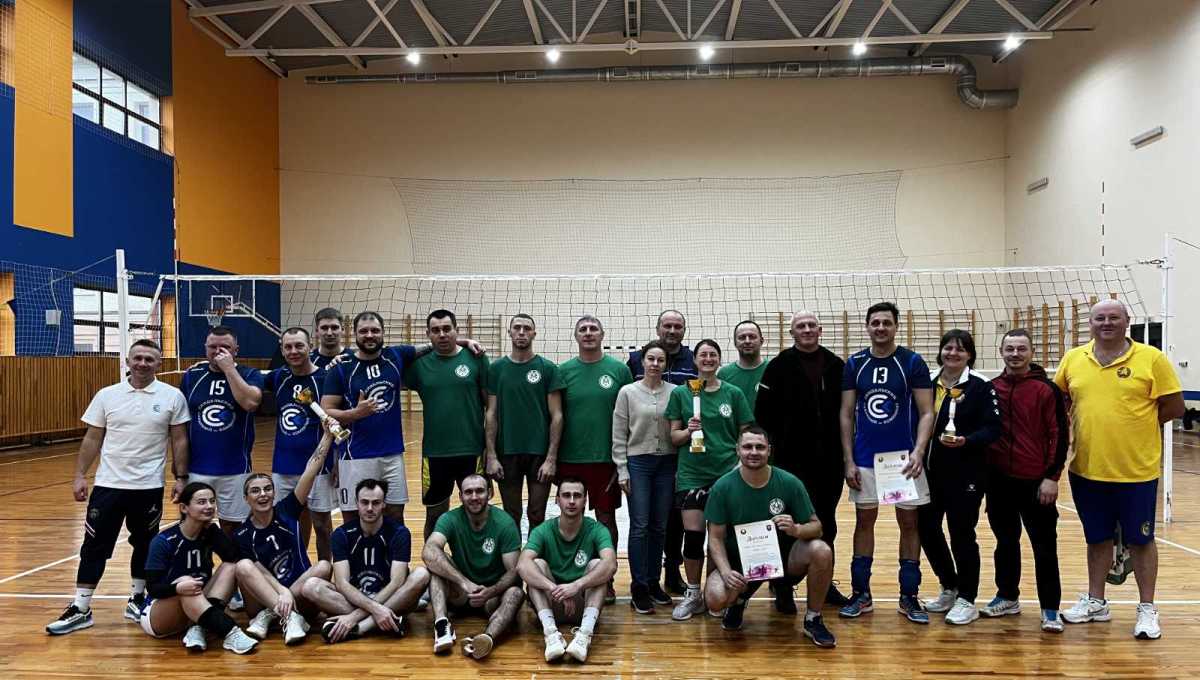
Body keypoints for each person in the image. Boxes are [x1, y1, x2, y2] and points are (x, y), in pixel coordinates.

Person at [1055, 299, 1184, 640]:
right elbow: (1060, 399)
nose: (1106, 323)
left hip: (1136, 472)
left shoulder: (1151, 358)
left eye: (1114, 317)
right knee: (1097, 538)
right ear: (1090, 324)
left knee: (1141, 540)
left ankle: (1147, 608)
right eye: (1100, 318)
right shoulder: (1073, 358)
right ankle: (1096, 601)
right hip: (1086, 468)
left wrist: (1137, 426)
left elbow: (1175, 406)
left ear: (1127, 321)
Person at [46, 339, 190, 635]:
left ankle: (137, 598)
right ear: (127, 361)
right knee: (94, 546)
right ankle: (81, 608)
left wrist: (181, 478)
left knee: (145, 544)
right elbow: (92, 438)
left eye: (149, 359)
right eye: (137, 358)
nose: (142, 363)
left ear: (159, 364)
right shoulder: (107, 395)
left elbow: (179, 439)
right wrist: (80, 475)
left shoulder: (172, 396)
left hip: (148, 487)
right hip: (108, 486)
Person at [322, 311, 482, 526]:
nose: (369, 335)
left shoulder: (395, 356)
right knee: (353, 517)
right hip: (355, 455)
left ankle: (393, 551)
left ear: (383, 332)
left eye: (375, 330)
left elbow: (436, 343)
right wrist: (356, 413)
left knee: (396, 516)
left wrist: (466, 341)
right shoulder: (341, 367)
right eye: (364, 331)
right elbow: (326, 411)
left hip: (392, 454)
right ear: (354, 333)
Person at [839, 302, 935, 624]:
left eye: (886, 323)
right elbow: (846, 413)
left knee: (909, 524)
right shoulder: (855, 363)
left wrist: (919, 451)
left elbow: (927, 411)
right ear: (867, 327)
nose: (881, 328)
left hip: (903, 460)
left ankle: (909, 595)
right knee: (864, 522)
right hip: (866, 460)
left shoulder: (911, 362)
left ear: (896, 326)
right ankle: (861, 594)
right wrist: (848, 459)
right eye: (875, 323)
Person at [704, 427, 837, 647]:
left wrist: (796, 529)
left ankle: (813, 618)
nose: (753, 452)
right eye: (747, 447)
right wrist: (726, 573)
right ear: (737, 450)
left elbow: (817, 527)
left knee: (821, 550)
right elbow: (715, 538)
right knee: (715, 598)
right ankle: (738, 600)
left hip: (784, 562)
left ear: (769, 450)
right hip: (742, 565)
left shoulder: (789, 482)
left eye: (760, 447)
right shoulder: (723, 487)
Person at [755, 311, 850, 610]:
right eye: (801, 326)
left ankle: (824, 581)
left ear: (820, 330)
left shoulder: (836, 366)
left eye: (811, 325)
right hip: (789, 463)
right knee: (787, 522)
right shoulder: (778, 366)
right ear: (792, 333)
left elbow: (848, 413)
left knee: (826, 522)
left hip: (829, 462)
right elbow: (762, 416)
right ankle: (782, 585)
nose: (807, 330)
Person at [984, 328, 1068, 632]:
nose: (1015, 354)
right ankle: (1008, 596)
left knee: (1044, 547)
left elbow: (1060, 435)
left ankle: (1050, 609)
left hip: (1036, 483)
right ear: (1001, 352)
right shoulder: (991, 388)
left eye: (1021, 349)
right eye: (1010, 349)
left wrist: (1051, 477)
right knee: (1005, 543)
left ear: (1031, 353)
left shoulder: (1046, 390)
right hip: (999, 483)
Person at [665, 338, 754, 621]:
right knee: (693, 537)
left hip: (726, 474)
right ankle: (693, 594)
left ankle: (716, 592)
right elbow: (673, 437)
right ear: (695, 360)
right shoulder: (681, 394)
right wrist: (689, 431)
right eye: (702, 355)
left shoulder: (733, 393)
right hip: (692, 474)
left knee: (721, 536)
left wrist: (739, 464)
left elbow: (745, 433)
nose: (708, 359)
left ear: (718, 359)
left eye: (712, 354)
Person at [917, 330, 1002, 625]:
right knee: (926, 529)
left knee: (962, 533)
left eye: (960, 349)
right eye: (948, 348)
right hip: (929, 472)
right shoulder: (928, 382)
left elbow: (993, 428)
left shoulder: (980, 385)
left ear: (969, 355)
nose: (953, 353)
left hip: (966, 474)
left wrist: (967, 440)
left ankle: (967, 597)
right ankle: (949, 586)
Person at [234, 425, 336, 645]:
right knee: (242, 567)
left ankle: (273, 615)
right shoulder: (243, 533)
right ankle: (288, 616)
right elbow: (260, 572)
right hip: (263, 598)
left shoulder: (287, 510)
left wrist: (327, 436)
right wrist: (282, 593)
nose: (263, 495)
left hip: (301, 596)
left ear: (274, 493)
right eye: (255, 491)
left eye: (267, 489)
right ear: (246, 498)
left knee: (324, 566)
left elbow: (311, 469)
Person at [556, 314, 633, 603]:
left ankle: (606, 579)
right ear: (576, 336)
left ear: (602, 335)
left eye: (593, 329)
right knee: (569, 518)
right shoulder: (563, 371)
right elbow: (555, 416)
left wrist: (623, 457)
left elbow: (628, 414)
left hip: (606, 460)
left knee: (606, 519)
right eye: (583, 329)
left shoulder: (619, 370)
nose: (588, 333)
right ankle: (567, 574)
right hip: (569, 459)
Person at [301, 478, 430, 643]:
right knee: (311, 586)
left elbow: (396, 583)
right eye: (364, 502)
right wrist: (376, 609)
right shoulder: (341, 534)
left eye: (376, 503)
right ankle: (387, 618)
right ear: (356, 503)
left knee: (421, 574)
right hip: (357, 599)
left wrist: (353, 618)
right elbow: (342, 584)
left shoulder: (399, 533)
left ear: (384, 504)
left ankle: (361, 627)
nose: (370, 508)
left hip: (389, 596)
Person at [137, 482, 258, 654]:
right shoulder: (163, 541)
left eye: (212, 501)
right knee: (187, 583)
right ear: (184, 508)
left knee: (231, 567)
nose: (209, 506)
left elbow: (234, 558)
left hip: (195, 603)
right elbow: (153, 588)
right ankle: (231, 633)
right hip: (158, 614)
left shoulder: (209, 533)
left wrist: (215, 532)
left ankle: (199, 627)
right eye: (201, 502)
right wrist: (177, 588)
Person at [404, 309, 490, 544]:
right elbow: (386, 361)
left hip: (472, 451)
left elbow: (491, 406)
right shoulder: (419, 365)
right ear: (428, 334)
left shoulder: (476, 358)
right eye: (436, 330)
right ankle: (433, 562)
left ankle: (473, 562)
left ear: (456, 330)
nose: (442, 334)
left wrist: (490, 449)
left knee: (477, 513)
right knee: (434, 516)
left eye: (447, 329)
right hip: (435, 454)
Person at [626, 310, 697, 595]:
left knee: (671, 520)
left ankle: (670, 572)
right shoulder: (635, 362)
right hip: (641, 457)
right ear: (658, 328)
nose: (672, 330)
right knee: (643, 524)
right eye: (667, 325)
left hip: (677, 456)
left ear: (684, 330)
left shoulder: (692, 361)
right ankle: (640, 583)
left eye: (678, 326)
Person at [421, 473, 524, 659]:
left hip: (491, 596)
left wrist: (490, 591)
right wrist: (465, 583)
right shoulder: (450, 518)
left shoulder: (505, 523)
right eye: (468, 492)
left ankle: (486, 638)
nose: (474, 497)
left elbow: (514, 572)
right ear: (460, 496)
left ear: (490, 493)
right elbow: (428, 551)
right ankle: (442, 626)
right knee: (436, 564)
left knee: (516, 593)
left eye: (479, 491)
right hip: (461, 592)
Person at [517, 478, 618, 663]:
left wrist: (576, 586)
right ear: (557, 500)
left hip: (583, 604)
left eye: (577, 496)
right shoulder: (543, 530)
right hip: (552, 602)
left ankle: (584, 636)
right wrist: (554, 588)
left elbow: (611, 564)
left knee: (598, 565)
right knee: (536, 565)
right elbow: (522, 565)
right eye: (566, 495)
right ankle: (551, 634)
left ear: (585, 501)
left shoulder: (596, 529)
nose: (571, 501)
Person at [611, 340, 676, 614]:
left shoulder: (676, 392)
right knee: (639, 525)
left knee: (659, 526)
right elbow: (619, 433)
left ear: (666, 364)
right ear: (643, 361)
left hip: (667, 463)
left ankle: (652, 581)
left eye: (660, 360)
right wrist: (621, 468)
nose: (655, 364)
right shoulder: (627, 392)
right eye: (651, 359)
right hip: (638, 463)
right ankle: (638, 586)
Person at [180, 325, 264, 534]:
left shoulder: (250, 374)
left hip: (235, 469)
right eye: (212, 347)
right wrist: (180, 471)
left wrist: (229, 369)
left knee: (233, 527)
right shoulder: (192, 376)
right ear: (205, 348)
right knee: (195, 526)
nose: (218, 351)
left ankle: (233, 557)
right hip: (197, 469)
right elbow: (180, 424)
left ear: (236, 350)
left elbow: (250, 403)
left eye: (224, 347)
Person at [485, 313, 563, 533]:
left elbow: (557, 415)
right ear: (509, 332)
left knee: (537, 513)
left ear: (534, 334)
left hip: (539, 454)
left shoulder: (548, 368)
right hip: (507, 452)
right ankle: (514, 556)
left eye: (527, 328)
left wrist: (551, 458)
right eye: (517, 328)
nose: (521, 332)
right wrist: (491, 455)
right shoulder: (496, 369)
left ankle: (534, 555)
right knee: (511, 514)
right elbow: (491, 413)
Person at [263, 327, 335, 561]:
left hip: (320, 467)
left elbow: (337, 422)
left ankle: (324, 572)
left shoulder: (326, 379)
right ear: (282, 350)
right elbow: (246, 377)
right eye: (288, 347)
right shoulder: (277, 377)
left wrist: (336, 461)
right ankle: (298, 568)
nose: (293, 351)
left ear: (310, 346)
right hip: (284, 467)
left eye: (299, 346)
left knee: (322, 525)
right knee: (290, 523)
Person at [716, 320, 767, 414]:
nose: (747, 341)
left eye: (752, 336)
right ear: (735, 343)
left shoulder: (774, 370)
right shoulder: (724, 374)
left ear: (761, 341)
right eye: (742, 337)